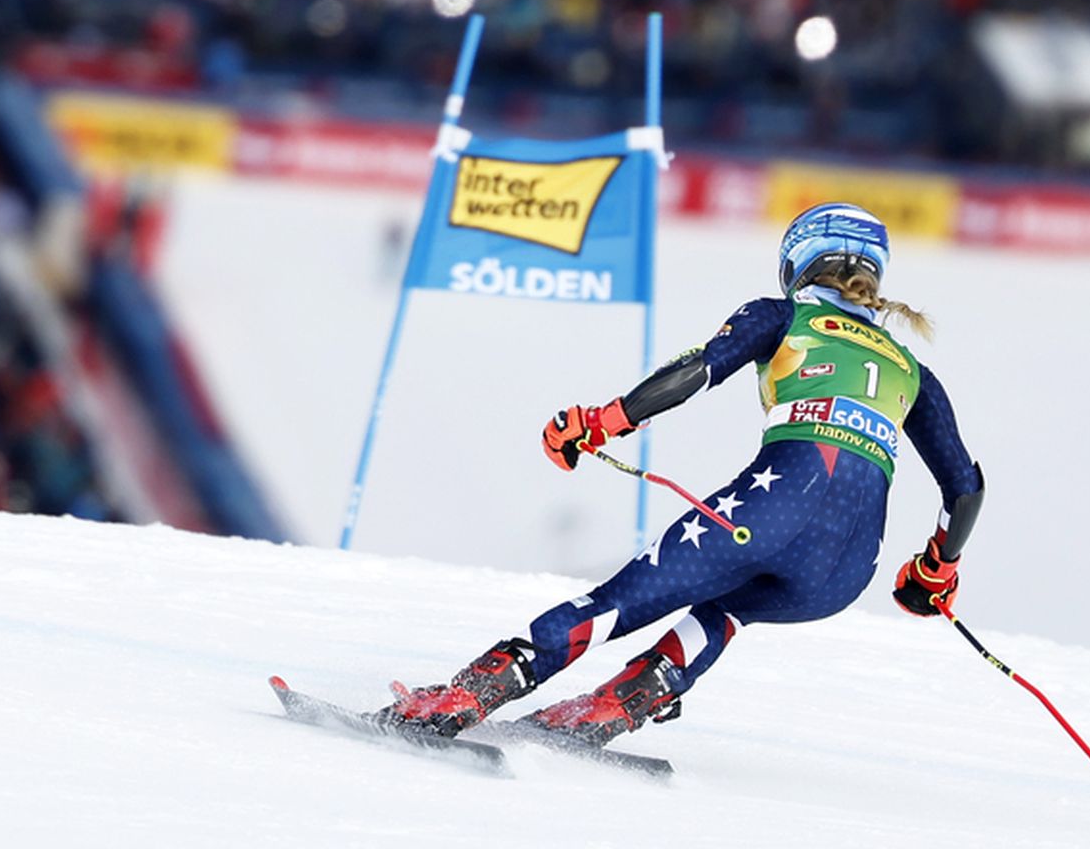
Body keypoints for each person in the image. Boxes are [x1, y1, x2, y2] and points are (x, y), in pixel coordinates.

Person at [385, 203, 984, 743]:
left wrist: (602, 421)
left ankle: (473, 692)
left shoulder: (784, 315)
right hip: (845, 571)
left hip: (773, 509)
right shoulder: (912, 367)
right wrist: (936, 569)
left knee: (617, 603)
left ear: (798, 261)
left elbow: (697, 371)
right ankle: (630, 698)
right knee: (726, 609)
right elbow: (965, 490)